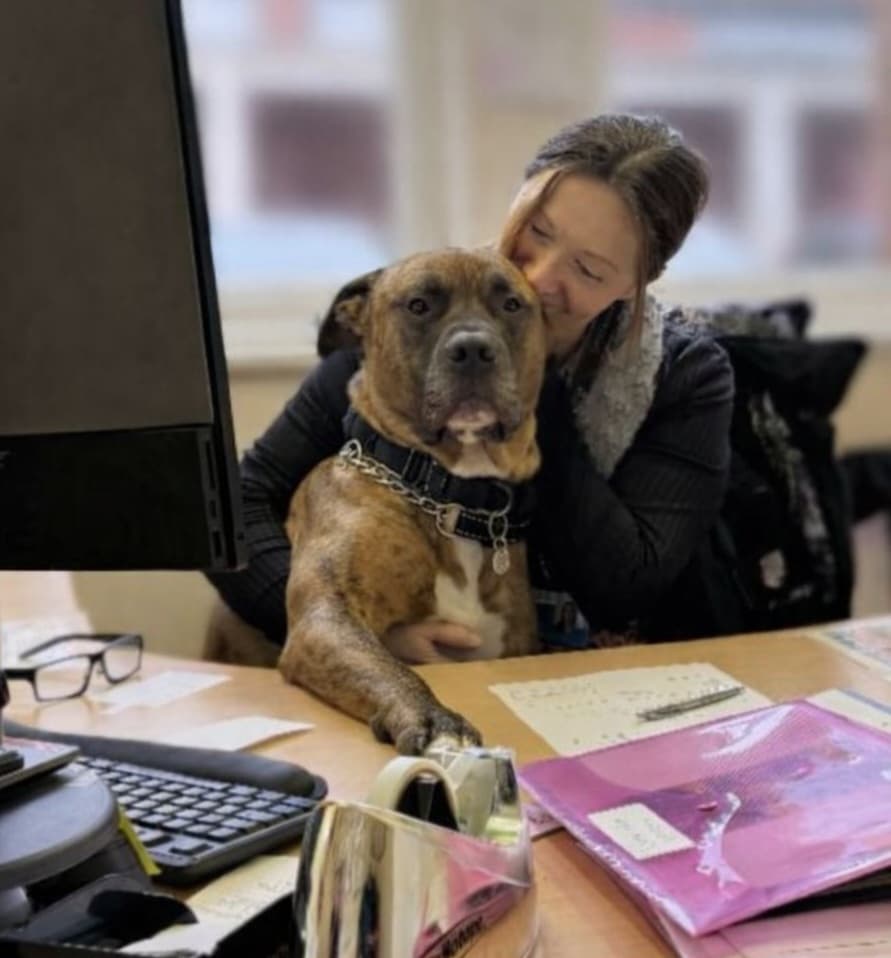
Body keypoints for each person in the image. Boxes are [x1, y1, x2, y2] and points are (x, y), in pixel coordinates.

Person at [208, 113, 734, 661]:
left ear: (637, 282)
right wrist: (357, 638)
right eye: (538, 231)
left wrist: (527, 388)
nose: (538, 277)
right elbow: (236, 508)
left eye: (588, 270)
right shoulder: (409, 320)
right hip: (412, 674)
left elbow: (627, 587)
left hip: (602, 678)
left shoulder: (687, 373)